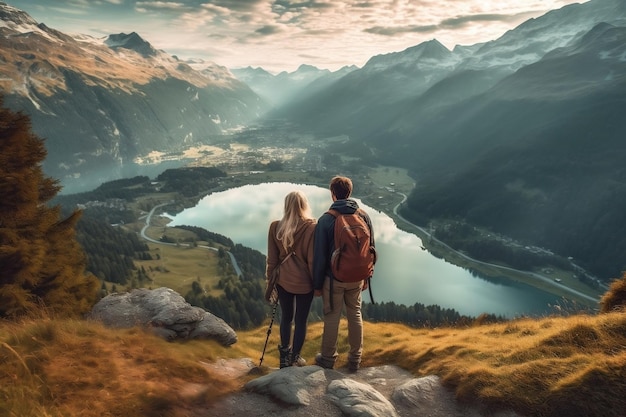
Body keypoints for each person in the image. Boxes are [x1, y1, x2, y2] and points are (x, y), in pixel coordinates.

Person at [312, 175, 375, 372]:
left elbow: (320, 256)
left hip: (334, 279)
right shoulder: (363, 216)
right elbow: (370, 248)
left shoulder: (326, 220)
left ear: (333, 194)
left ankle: (328, 358)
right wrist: (366, 276)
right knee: (355, 313)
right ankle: (355, 358)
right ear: (350, 192)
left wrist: (316, 285)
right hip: (357, 277)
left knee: (332, 316)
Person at [266, 190, 317, 368]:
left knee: (286, 317)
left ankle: (283, 358)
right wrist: (316, 285)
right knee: (301, 320)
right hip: (305, 283)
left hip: (283, 281)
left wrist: (270, 283)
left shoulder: (275, 227)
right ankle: (295, 358)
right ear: (303, 205)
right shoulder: (312, 227)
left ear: (286, 206)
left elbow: (272, 260)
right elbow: (312, 260)